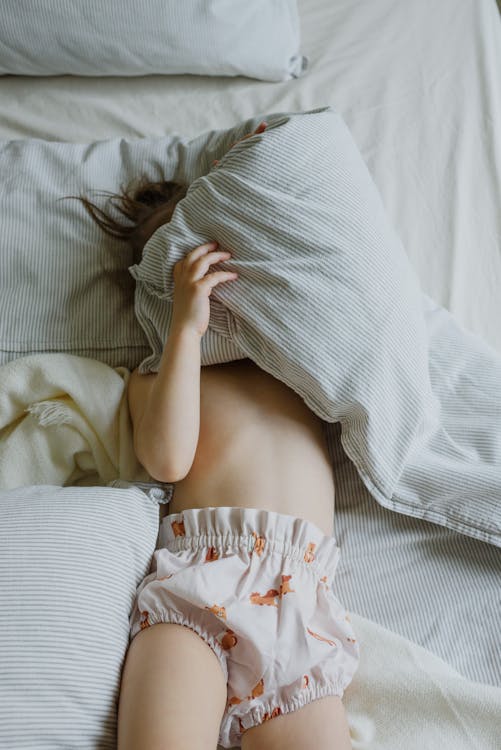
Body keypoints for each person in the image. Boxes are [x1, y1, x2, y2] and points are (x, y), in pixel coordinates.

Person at [80, 127, 359, 749]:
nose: (203, 278)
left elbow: (327, 239)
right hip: (201, 582)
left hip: (301, 605)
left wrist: (256, 160)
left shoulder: (297, 362)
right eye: (179, 271)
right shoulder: (157, 377)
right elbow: (168, 457)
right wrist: (185, 331)